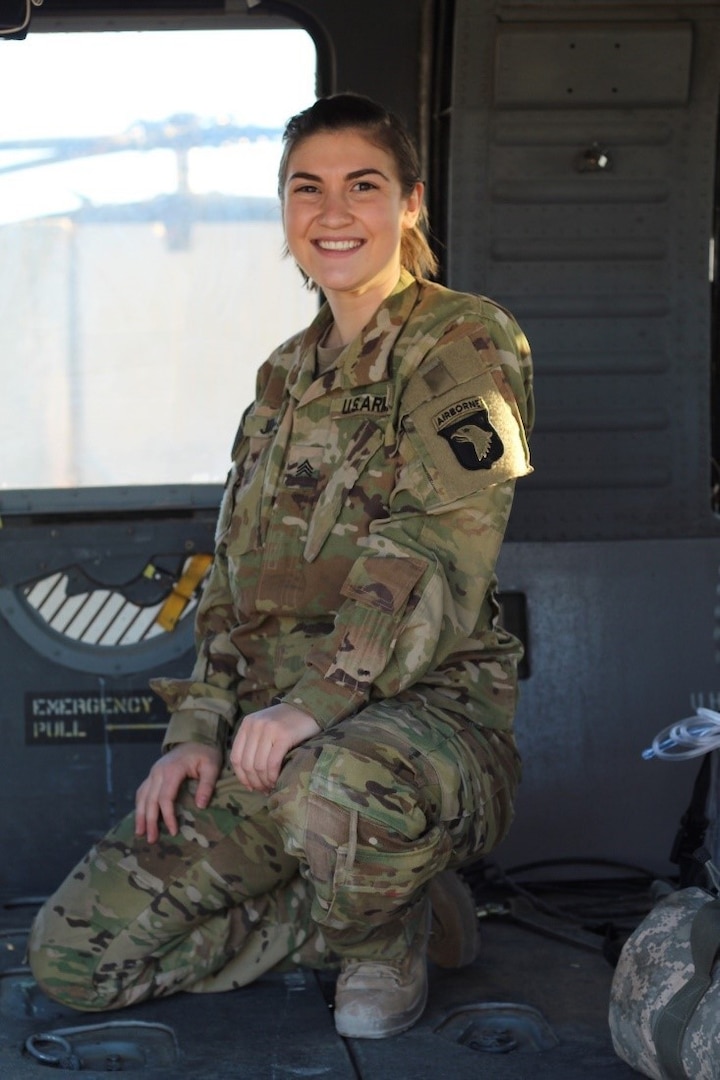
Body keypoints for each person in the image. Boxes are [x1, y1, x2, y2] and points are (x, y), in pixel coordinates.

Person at [28, 92, 534, 1040]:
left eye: (363, 186)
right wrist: (199, 730)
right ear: (285, 211)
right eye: (309, 189)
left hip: (417, 733)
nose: (333, 213)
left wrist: (319, 701)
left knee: (333, 787)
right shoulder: (283, 379)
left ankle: (381, 933)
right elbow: (231, 587)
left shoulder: (461, 341)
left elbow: (438, 544)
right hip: (274, 736)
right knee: (74, 960)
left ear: (411, 205)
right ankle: (375, 907)